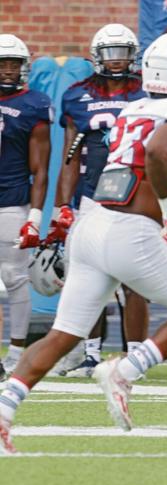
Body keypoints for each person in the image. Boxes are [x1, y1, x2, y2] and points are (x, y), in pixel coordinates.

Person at [0, 32, 167, 454]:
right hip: (131, 232)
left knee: (64, 334)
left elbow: (141, 166)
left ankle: (5, 410)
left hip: (92, 224)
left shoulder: (132, 108)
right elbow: (156, 153)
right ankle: (127, 368)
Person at [45, 23, 149, 379]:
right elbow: (71, 156)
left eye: (123, 53)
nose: (117, 61)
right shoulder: (77, 95)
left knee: (133, 278)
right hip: (90, 195)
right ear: (97, 55)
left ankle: (134, 356)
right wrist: (64, 206)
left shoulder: (147, 93)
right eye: (111, 53)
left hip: (134, 195)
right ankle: (89, 354)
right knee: (86, 276)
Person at [0, 34, 52, 374]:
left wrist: (34, 216)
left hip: (12, 201)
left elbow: (40, 168)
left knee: (13, 277)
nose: (7, 70)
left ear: (24, 67)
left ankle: (17, 353)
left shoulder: (34, 103)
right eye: (2, 63)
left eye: (13, 64)